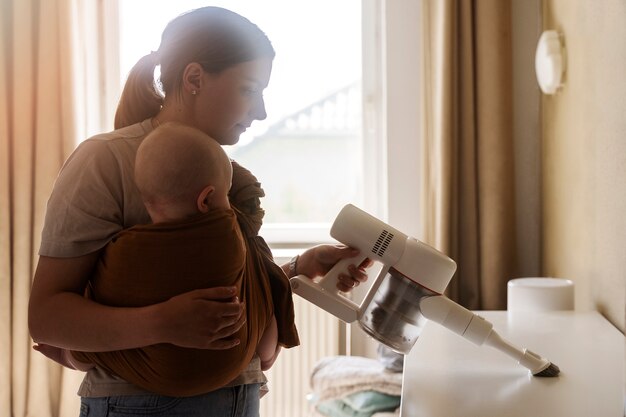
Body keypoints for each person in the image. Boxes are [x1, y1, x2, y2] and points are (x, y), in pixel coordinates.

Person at [28, 6, 368, 416]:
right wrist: (161, 323)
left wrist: (298, 268)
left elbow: (207, 288)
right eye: (249, 89)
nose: (261, 111)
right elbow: (46, 317)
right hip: (141, 405)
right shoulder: (106, 162)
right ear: (193, 79)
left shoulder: (224, 173)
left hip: (241, 397)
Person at [39, 121, 284, 397]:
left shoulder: (121, 251)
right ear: (206, 200)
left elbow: (77, 306)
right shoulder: (230, 236)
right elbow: (258, 325)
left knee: (95, 345)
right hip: (225, 372)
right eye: (227, 195)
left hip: (148, 378)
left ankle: (72, 354)